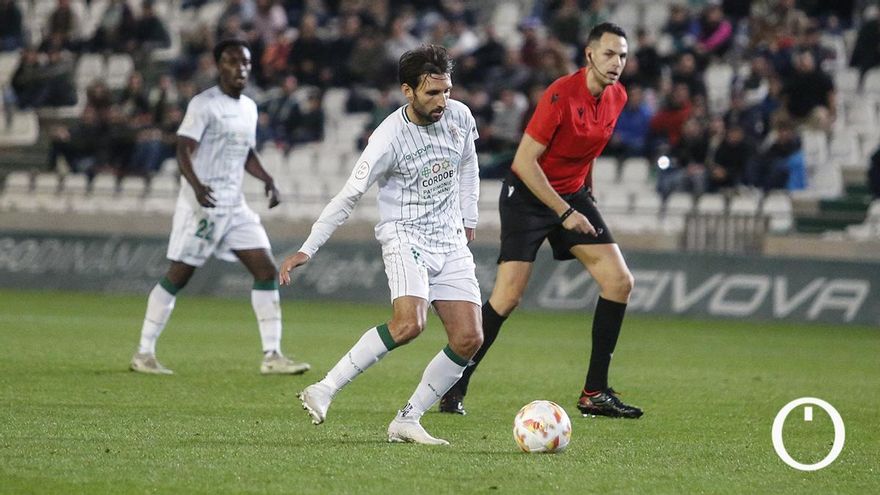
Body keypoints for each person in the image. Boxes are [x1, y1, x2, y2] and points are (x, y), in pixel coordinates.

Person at [279, 45, 482, 445]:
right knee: (409, 324)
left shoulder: (460, 116)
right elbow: (347, 197)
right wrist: (308, 247)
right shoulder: (387, 139)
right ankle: (325, 388)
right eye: (432, 94)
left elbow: (469, 164)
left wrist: (469, 216)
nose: (443, 101)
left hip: (449, 237)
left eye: (446, 91)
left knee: (469, 337)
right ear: (407, 91)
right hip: (405, 233)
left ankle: (408, 419)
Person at [439, 22, 643, 419]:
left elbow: (588, 151)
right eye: (608, 54)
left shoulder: (617, 96)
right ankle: (451, 383)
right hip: (528, 197)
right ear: (589, 55)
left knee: (619, 282)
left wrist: (586, 193)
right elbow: (524, 162)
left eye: (622, 55)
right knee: (508, 297)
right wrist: (565, 213)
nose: (616, 62)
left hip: (572, 194)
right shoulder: (560, 95)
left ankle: (594, 393)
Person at [130, 39, 310, 376]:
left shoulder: (249, 108)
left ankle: (272, 355)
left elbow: (247, 153)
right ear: (219, 66)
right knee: (178, 277)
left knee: (266, 271)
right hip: (204, 205)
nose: (240, 68)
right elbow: (183, 149)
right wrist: (197, 187)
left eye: (245, 62)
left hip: (235, 205)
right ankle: (144, 352)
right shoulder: (204, 105)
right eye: (232, 61)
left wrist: (268, 179)